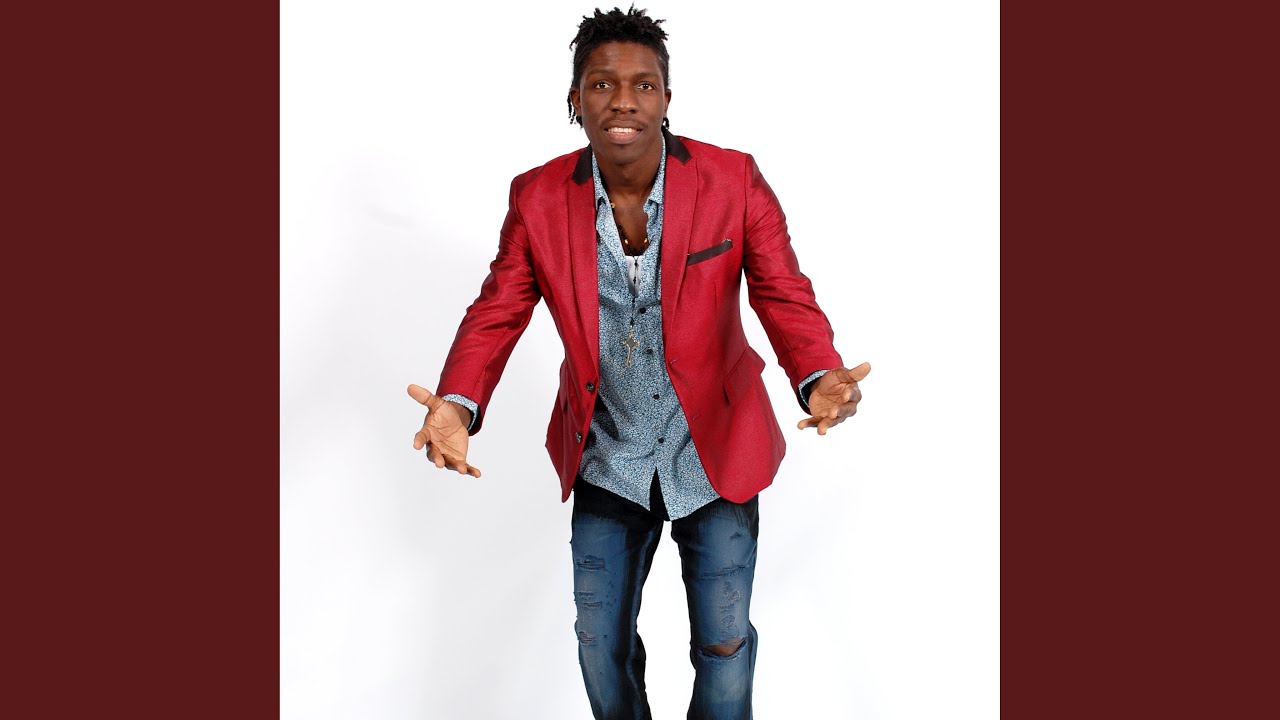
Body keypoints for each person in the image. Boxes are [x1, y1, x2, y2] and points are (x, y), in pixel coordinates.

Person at [407, 6, 870, 719]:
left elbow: (782, 290)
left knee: (723, 646)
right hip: (607, 455)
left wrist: (818, 374)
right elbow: (498, 308)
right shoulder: (537, 198)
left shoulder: (733, 180)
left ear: (666, 99)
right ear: (575, 100)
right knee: (600, 646)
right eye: (601, 84)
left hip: (713, 451)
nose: (623, 100)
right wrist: (458, 402)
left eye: (643, 85)